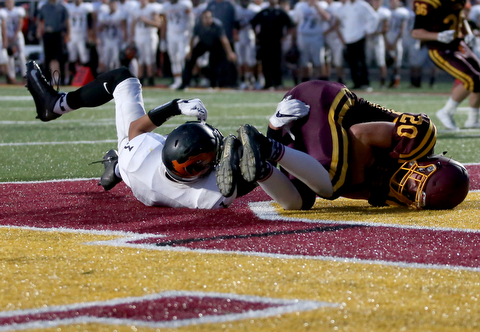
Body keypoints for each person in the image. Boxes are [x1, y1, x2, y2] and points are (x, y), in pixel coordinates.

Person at [25, 60, 257, 209]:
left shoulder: (144, 152)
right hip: (140, 176)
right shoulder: (206, 197)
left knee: (122, 78)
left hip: (136, 159)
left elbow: (135, 129)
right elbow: (243, 179)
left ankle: (56, 105)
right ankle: (115, 168)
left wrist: (175, 106)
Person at [216, 80, 470, 210]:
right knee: (331, 180)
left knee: (299, 202)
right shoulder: (416, 142)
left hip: (309, 130)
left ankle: (260, 157)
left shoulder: (399, 196)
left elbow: (351, 189)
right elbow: (360, 133)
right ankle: (269, 145)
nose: (410, 188)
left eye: (416, 193)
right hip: (321, 100)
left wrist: (276, 130)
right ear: (427, 164)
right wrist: (353, 176)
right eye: (417, 182)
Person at [412, 0, 480, 130]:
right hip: (439, 49)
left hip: (459, 45)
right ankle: (446, 112)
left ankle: (473, 119)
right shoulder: (428, 3)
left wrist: (468, 32)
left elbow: (460, 16)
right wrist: (437, 36)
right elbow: (416, 33)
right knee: (474, 78)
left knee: (478, 78)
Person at [179, 10, 236, 89]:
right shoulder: (198, 25)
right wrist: (190, 52)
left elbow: (224, 39)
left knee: (214, 63)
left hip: (216, 44)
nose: (208, 19)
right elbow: (192, 39)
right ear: (202, 18)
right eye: (206, 17)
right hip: (203, 43)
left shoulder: (217, 25)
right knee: (190, 60)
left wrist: (229, 52)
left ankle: (214, 84)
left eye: (209, 17)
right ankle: (184, 83)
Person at [250, 0, 295, 90]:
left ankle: (277, 82)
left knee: (276, 62)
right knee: (265, 62)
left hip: (276, 41)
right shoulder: (264, 12)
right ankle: (268, 82)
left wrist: (285, 36)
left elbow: (291, 25)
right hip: (264, 41)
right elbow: (253, 23)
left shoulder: (280, 12)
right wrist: (256, 36)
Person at [336, 0, 379, 90]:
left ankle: (365, 83)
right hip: (348, 38)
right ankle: (356, 83)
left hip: (359, 37)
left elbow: (374, 17)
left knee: (361, 61)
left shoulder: (363, 5)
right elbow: (339, 18)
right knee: (352, 62)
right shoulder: (345, 6)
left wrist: (368, 30)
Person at [292, 0, 331, 82]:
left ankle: (321, 81)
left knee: (319, 61)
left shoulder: (322, 4)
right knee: (304, 61)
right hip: (302, 36)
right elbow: (296, 22)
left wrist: (316, 6)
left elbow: (326, 18)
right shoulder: (300, 5)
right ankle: (305, 81)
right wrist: (294, 39)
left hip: (316, 36)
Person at [160, 0, 194, 89]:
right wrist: (162, 38)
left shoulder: (185, 4)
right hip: (171, 34)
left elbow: (191, 20)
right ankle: (177, 81)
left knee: (182, 57)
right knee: (173, 58)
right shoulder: (165, 6)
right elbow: (164, 23)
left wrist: (190, 34)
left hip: (183, 33)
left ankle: (184, 80)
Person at [36, 0, 70, 83]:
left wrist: (68, 33)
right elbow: (40, 20)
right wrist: (39, 30)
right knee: (48, 57)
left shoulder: (62, 7)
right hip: (48, 33)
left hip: (58, 34)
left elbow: (67, 21)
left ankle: (62, 79)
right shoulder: (44, 7)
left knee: (61, 57)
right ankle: (47, 79)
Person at [130, 0, 162, 86]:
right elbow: (133, 24)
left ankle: (150, 79)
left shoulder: (152, 8)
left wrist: (146, 21)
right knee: (140, 58)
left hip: (149, 36)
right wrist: (132, 36)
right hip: (139, 36)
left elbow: (158, 24)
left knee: (149, 58)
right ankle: (141, 80)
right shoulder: (135, 9)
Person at [365, 0, 390, 88]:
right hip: (368, 39)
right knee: (366, 61)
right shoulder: (367, 10)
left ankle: (383, 82)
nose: (376, 3)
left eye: (378, 1)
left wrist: (375, 33)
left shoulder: (384, 12)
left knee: (381, 61)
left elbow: (386, 27)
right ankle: (365, 81)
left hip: (378, 38)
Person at [385, 0, 409, 88]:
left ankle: (396, 81)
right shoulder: (385, 11)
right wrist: (386, 41)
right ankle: (384, 81)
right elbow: (384, 27)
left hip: (397, 40)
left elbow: (402, 28)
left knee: (397, 62)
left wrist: (395, 41)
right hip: (387, 40)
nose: (393, 2)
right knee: (386, 61)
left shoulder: (402, 12)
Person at [4, 0, 26, 84]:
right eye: (7, 2)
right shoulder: (3, 12)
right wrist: (6, 37)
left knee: (21, 55)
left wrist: (15, 35)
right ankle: (11, 76)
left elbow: (21, 23)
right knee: (10, 56)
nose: (8, 3)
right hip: (7, 36)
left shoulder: (18, 10)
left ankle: (25, 75)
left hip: (17, 35)